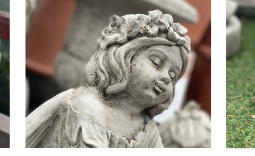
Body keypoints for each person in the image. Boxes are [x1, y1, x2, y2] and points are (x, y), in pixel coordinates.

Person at [26, 10, 190, 147]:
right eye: (156, 62)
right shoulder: (89, 106)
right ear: (123, 58)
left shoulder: (147, 128)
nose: (166, 78)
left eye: (173, 75)